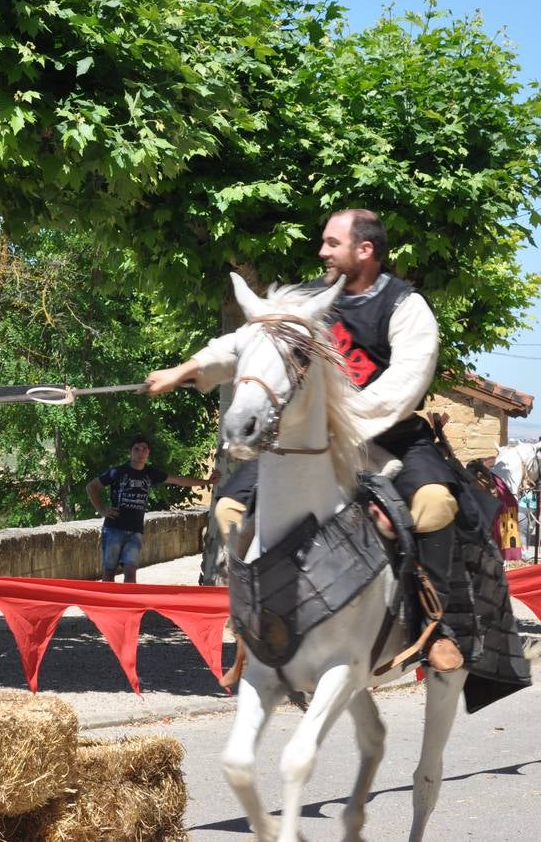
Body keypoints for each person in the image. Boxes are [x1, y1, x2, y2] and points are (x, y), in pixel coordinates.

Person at [145, 208, 471, 670]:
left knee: (436, 502)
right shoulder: (305, 300)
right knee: (229, 506)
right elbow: (245, 342)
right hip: (306, 442)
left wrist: (341, 422)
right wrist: (186, 369)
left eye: (332, 243)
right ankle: (257, 614)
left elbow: (405, 382)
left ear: (366, 250)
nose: (322, 251)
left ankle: (434, 628)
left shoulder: (405, 306)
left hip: (388, 438)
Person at [86, 435, 216, 583]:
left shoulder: (150, 473)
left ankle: (128, 605)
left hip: (135, 530)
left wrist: (206, 481)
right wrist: (102, 510)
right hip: (114, 528)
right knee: (109, 572)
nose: (140, 453)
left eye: (144, 449)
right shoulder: (118, 472)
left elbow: (179, 480)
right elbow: (91, 486)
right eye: (136, 449)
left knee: (130, 573)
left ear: (148, 453)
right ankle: (108, 605)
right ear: (130, 452)